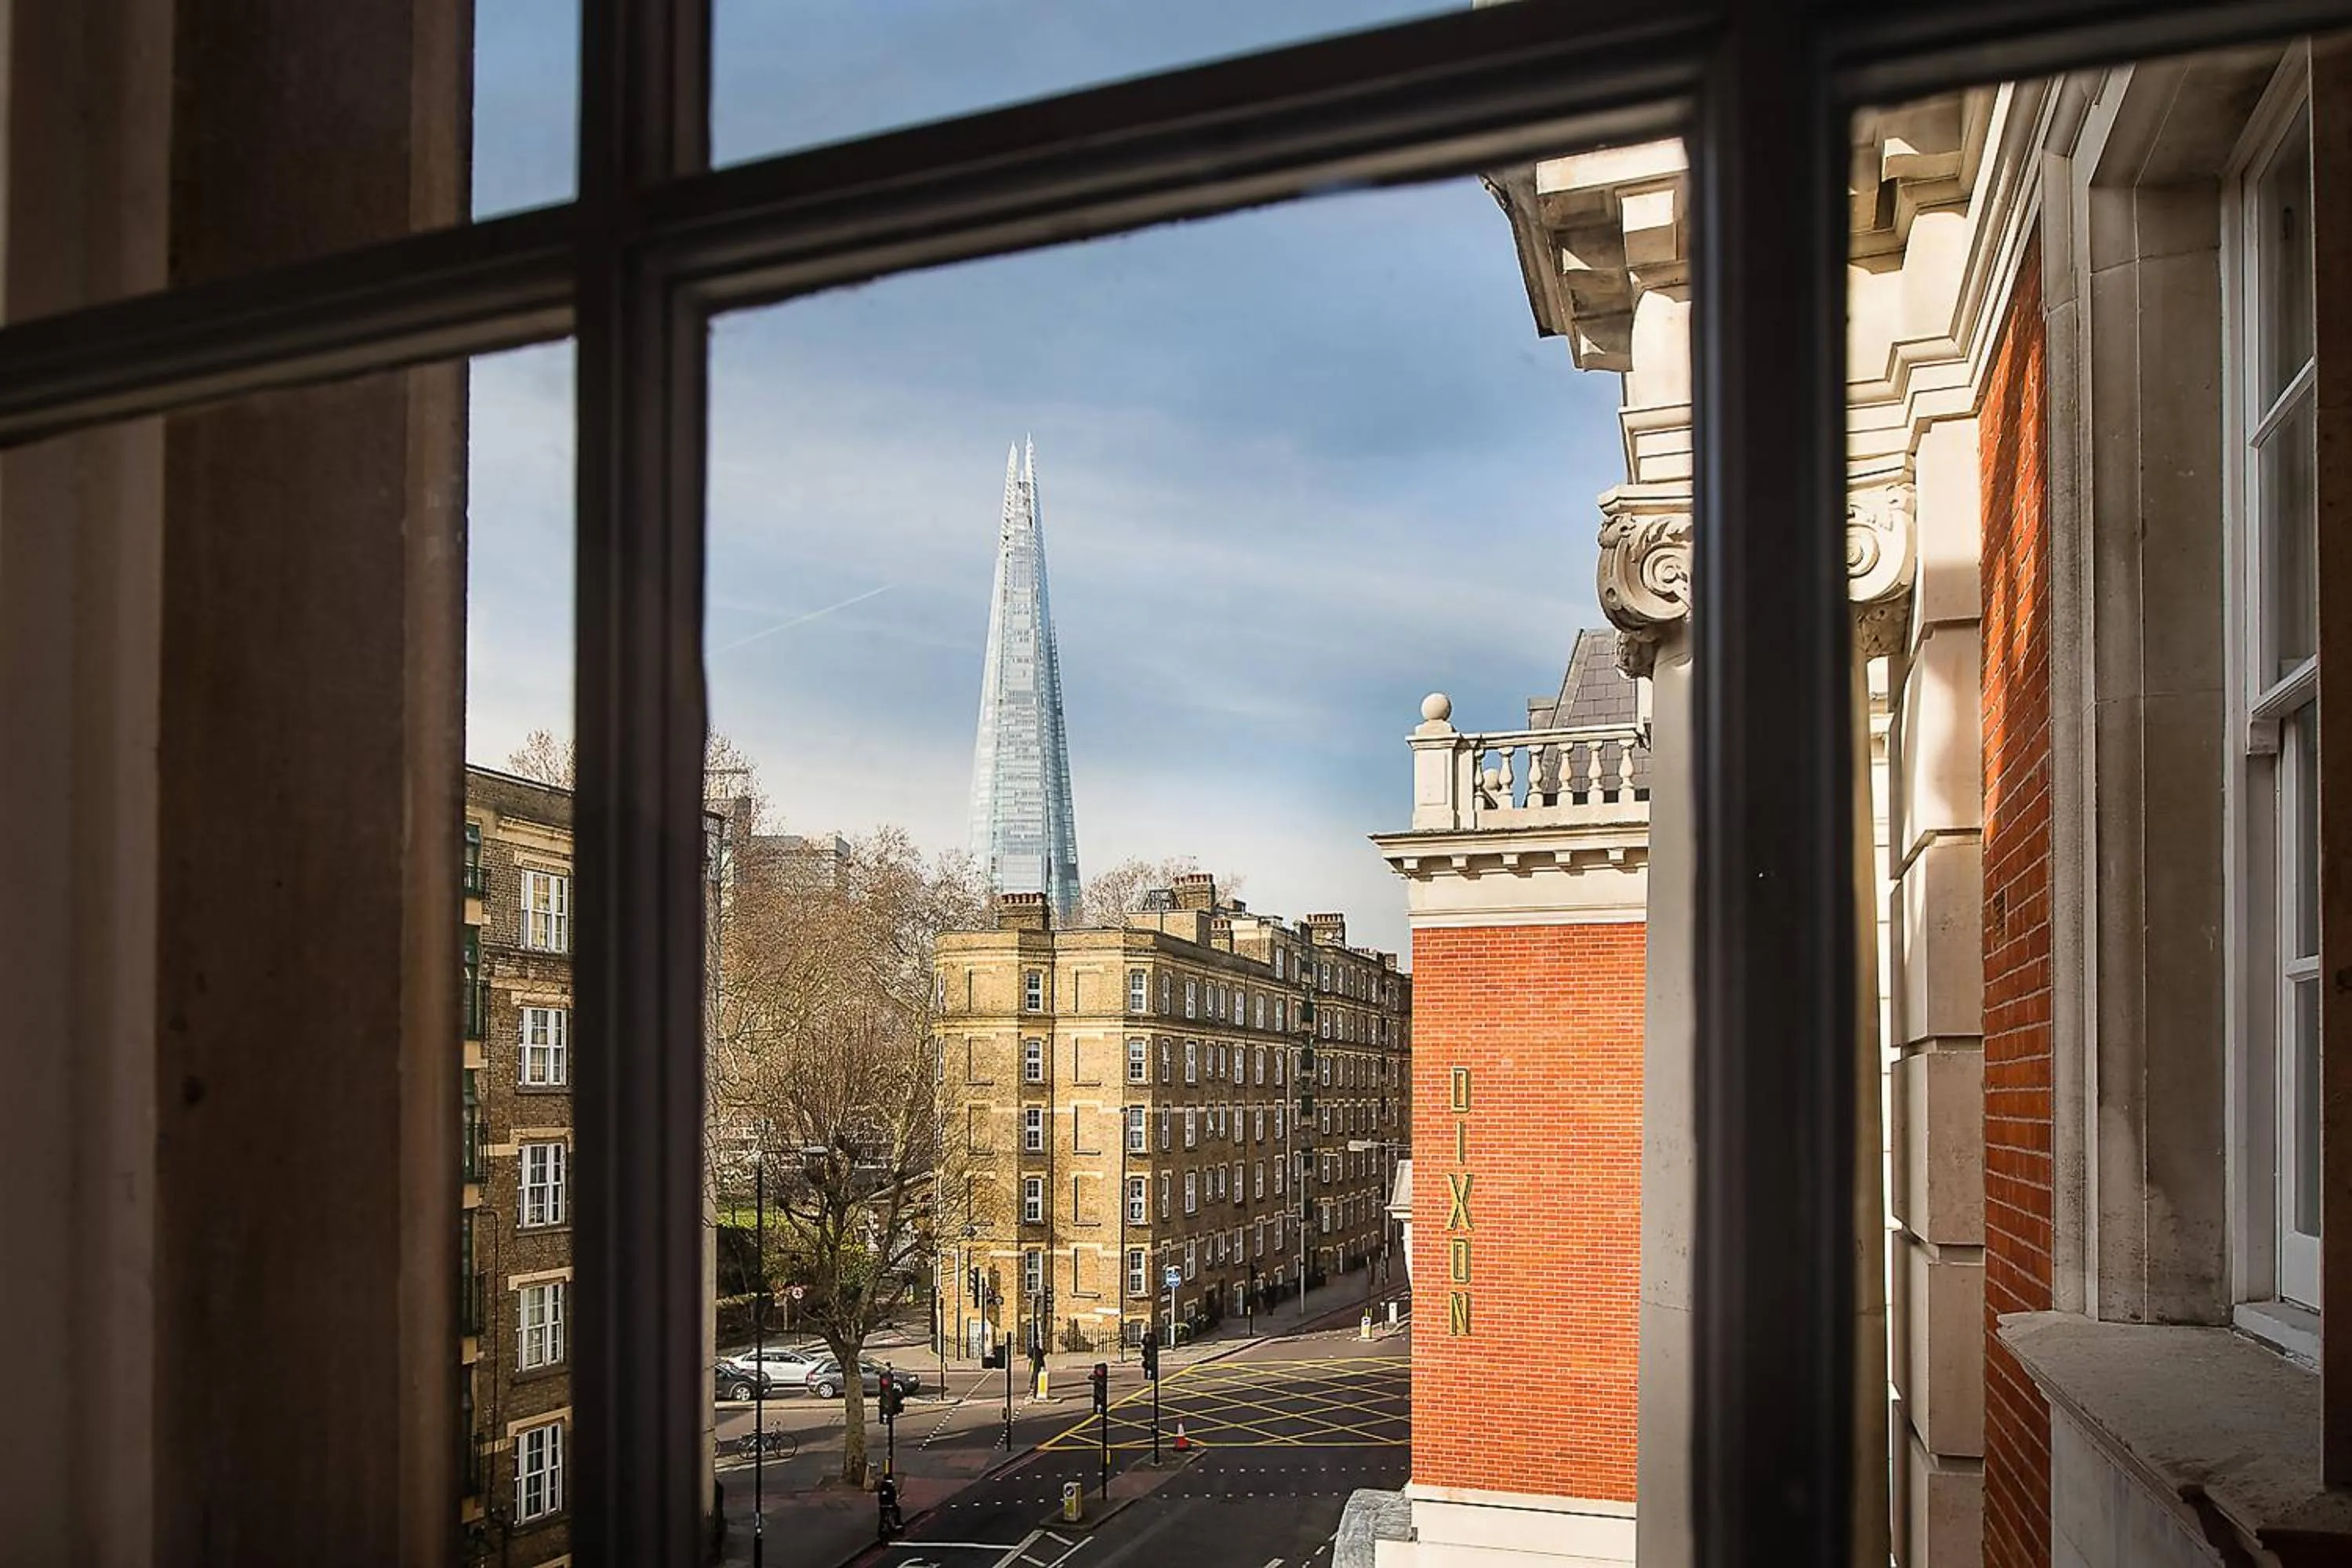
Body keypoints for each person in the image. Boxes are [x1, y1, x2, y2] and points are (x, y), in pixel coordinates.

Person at [877, 1472, 904, 1540]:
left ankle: (880, 1530)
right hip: (890, 1505)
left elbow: (880, 1497)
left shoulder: (882, 1486)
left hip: (882, 1506)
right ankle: (897, 1524)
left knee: (882, 1518)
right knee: (897, 1510)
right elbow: (893, 1496)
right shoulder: (891, 1486)